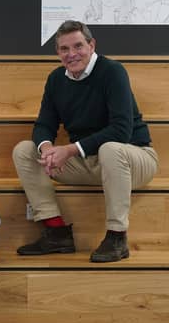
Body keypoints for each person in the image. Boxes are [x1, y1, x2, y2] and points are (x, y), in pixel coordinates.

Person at [13, 20, 158, 263]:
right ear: (57, 52)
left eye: (78, 46)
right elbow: (44, 125)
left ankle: (117, 236)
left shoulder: (112, 71)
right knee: (25, 151)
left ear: (91, 45)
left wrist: (69, 150)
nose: (72, 54)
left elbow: (121, 131)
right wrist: (48, 148)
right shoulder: (56, 79)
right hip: (89, 162)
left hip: (134, 158)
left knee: (110, 149)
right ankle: (56, 230)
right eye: (64, 49)